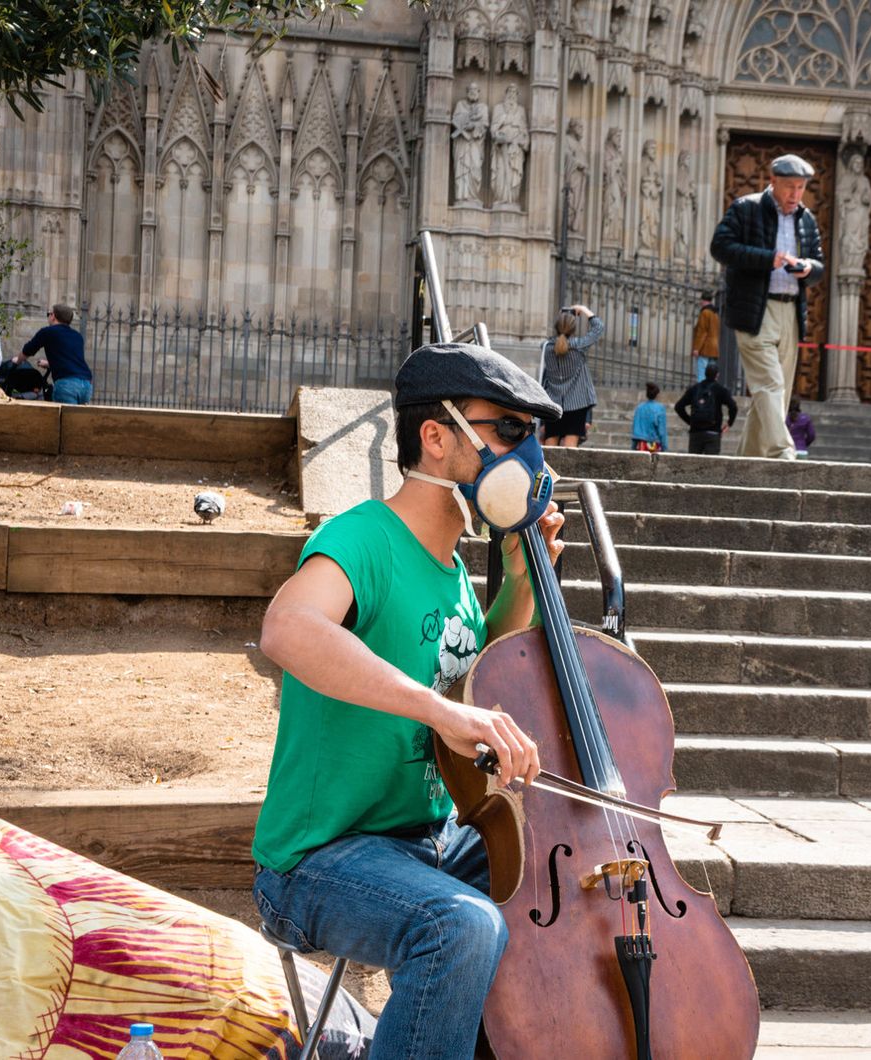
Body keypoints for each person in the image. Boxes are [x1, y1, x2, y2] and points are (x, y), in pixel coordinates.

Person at [251, 340, 565, 1057]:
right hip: (316, 860)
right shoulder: (364, 537)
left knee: (550, 869)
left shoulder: (455, 569)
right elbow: (287, 628)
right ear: (436, 435)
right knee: (460, 925)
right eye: (508, 431)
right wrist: (439, 711)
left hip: (422, 844)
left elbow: (472, 678)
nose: (526, 454)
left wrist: (523, 574)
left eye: (532, 436)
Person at [710, 153, 825, 459]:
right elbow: (720, 246)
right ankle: (782, 452)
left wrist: (807, 268)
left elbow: (819, 263)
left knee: (777, 395)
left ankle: (747, 461)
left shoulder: (806, 218)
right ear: (773, 181)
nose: (795, 195)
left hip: (790, 312)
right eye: (790, 187)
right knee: (770, 384)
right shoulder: (746, 208)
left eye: (801, 188)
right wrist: (766, 258)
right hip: (754, 310)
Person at [539, 303, 603, 447]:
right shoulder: (579, 346)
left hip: (553, 403)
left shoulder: (546, 347)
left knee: (549, 447)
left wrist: (561, 316)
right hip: (577, 404)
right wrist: (583, 309)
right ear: (573, 328)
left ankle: (546, 470)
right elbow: (598, 328)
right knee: (570, 449)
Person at [14, 304, 93, 404]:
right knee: (78, 418)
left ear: (53, 316)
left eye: (48, 314)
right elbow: (72, 361)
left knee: (64, 419)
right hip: (86, 384)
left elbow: (28, 350)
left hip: (67, 385)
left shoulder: (47, 332)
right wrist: (48, 364)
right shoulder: (77, 336)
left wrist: (17, 361)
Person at [675, 363, 738, 455]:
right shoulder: (720, 390)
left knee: (693, 464)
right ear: (717, 375)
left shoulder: (694, 389)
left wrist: (690, 421)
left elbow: (678, 406)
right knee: (712, 465)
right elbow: (733, 406)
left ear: (705, 374)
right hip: (713, 432)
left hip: (695, 432)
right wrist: (729, 423)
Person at [690, 291, 720, 384]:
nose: (700, 302)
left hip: (705, 348)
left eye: (701, 300)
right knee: (712, 376)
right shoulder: (715, 314)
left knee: (702, 375)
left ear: (703, 300)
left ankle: (701, 395)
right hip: (714, 348)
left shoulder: (705, 313)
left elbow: (702, 332)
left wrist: (696, 348)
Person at [630, 381, 668, 452]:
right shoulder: (660, 408)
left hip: (640, 444)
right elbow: (662, 431)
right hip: (654, 444)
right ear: (657, 395)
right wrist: (664, 447)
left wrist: (633, 447)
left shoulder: (639, 408)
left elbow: (635, 428)